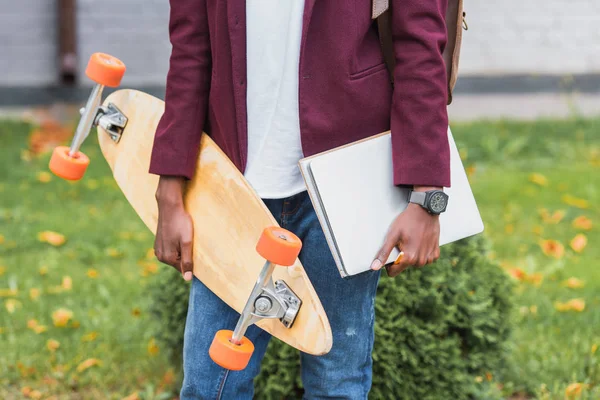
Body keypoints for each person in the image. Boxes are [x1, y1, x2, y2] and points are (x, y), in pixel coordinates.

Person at [149, 0, 450, 398]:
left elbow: (420, 47)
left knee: (336, 383)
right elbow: (190, 47)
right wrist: (170, 187)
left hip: (345, 180)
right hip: (233, 189)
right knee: (209, 387)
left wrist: (427, 194)